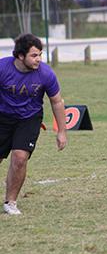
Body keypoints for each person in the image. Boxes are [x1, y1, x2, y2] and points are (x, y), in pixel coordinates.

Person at [0, 33, 67, 215]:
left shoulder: (46, 73)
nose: (39, 59)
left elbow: (57, 102)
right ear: (20, 56)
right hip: (3, 117)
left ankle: (10, 202)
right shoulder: (2, 68)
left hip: (29, 118)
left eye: (40, 55)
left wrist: (62, 131)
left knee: (20, 158)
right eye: (34, 55)